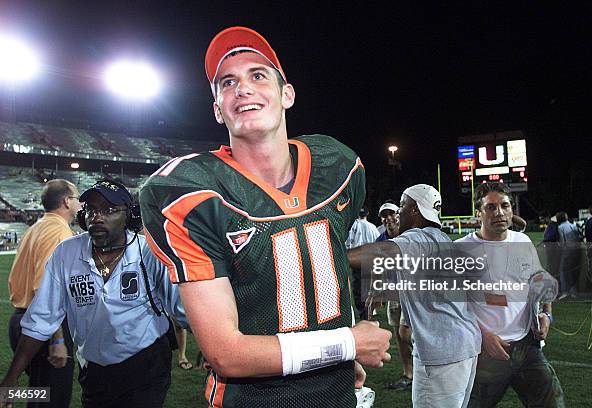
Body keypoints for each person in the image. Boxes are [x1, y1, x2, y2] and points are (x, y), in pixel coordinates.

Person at [139, 26, 390, 407]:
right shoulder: (192, 191)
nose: (242, 88)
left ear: (286, 94)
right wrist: (348, 343)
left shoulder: (338, 167)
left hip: (338, 394)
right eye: (227, 83)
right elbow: (227, 354)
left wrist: (342, 355)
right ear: (218, 110)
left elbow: (329, 263)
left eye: (258, 75)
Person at [0, 180, 187, 408]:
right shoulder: (66, 250)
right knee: (50, 395)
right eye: (91, 209)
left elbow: (182, 309)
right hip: (82, 362)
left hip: (145, 367)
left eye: (109, 210)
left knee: (48, 394)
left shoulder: (149, 251)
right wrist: (11, 377)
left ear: (131, 216)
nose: (96, 217)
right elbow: (43, 314)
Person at [349, 184, 481, 408]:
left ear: (415, 210)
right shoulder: (442, 239)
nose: (399, 212)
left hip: (441, 350)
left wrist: (330, 255)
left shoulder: (418, 238)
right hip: (464, 345)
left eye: (402, 205)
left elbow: (381, 253)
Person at [456, 182, 565, 407]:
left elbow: (540, 282)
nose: (499, 213)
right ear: (479, 213)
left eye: (505, 206)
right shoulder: (460, 250)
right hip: (485, 352)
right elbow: (453, 308)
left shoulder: (522, 242)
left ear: (512, 209)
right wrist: (483, 336)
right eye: (491, 207)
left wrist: (547, 314)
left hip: (527, 346)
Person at [6, 179, 81, 408]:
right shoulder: (59, 232)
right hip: (44, 328)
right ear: (67, 201)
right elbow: (46, 290)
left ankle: (7, 394)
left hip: (21, 320)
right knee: (53, 398)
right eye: (78, 198)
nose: (80, 204)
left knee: (39, 392)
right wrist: (57, 338)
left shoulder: (35, 227)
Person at [375, 201, 414, 391]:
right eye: (385, 216)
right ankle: (409, 373)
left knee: (405, 333)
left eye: (392, 214)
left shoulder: (409, 235)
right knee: (398, 337)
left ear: (398, 215)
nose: (389, 219)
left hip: (412, 291)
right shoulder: (380, 240)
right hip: (393, 292)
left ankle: (423, 366)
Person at [346, 206, 381, 320]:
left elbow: (348, 244)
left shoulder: (353, 226)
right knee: (369, 288)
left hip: (357, 261)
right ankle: (369, 311)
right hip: (371, 261)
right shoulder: (372, 227)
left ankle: (364, 313)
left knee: (358, 289)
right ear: (367, 214)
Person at [556, 211, 581, 299]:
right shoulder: (573, 225)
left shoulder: (560, 227)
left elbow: (562, 241)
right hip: (577, 250)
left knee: (563, 270)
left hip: (568, 250)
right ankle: (574, 291)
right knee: (574, 271)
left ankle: (565, 291)